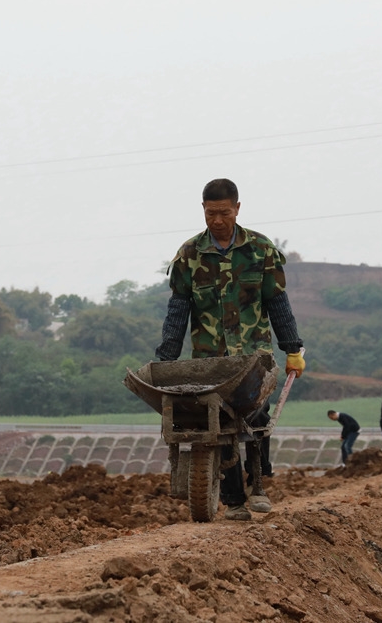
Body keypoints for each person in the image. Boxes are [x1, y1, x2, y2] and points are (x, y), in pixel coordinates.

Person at [155, 178, 305, 521]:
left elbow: (277, 303)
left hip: (254, 357)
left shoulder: (260, 250)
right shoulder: (190, 255)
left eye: (224, 212)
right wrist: (166, 359)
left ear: (237, 208)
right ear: (203, 210)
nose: (217, 220)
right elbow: (178, 310)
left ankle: (258, 485)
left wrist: (292, 348)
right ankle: (235, 499)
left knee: (257, 418)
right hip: (210, 361)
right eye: (211, 213)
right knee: (219, 424)